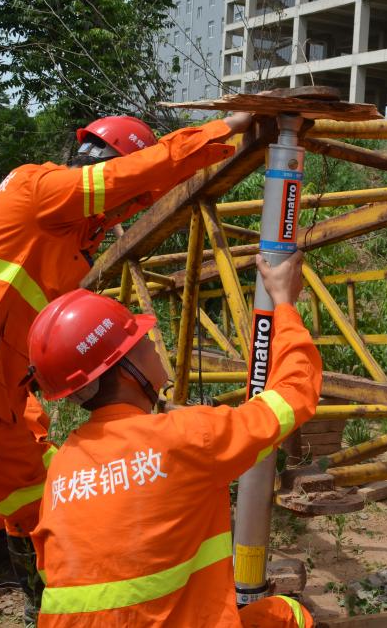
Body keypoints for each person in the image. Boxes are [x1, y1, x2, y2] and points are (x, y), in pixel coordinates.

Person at [0, 112, 250, 619]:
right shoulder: (39, 190)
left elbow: (139, 188)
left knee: (44, 503)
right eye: (126, 198)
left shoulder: (69, 238)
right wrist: (228, 127)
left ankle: (45, 609)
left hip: (0, 401)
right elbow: (129, 179)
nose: (126, 211)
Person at [27, 251, 318, 627]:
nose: (153, 343)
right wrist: (284, 302)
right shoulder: (186, 438)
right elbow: (294, 395)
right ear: (127, 369)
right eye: (142, 339)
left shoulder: (63, 467)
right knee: (290, 615)